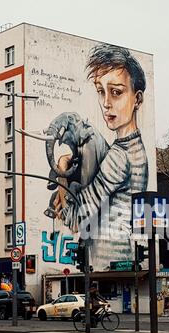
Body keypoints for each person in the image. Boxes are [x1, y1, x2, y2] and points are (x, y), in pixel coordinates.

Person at [59, 44, 149, 270]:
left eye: (116, 92)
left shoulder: (119, 157)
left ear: (137, 98)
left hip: (104, 264)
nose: (106, 102)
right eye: (101, 91)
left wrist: (62, 172)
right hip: (121, 257)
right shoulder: (136, 150)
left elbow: (74, 220)